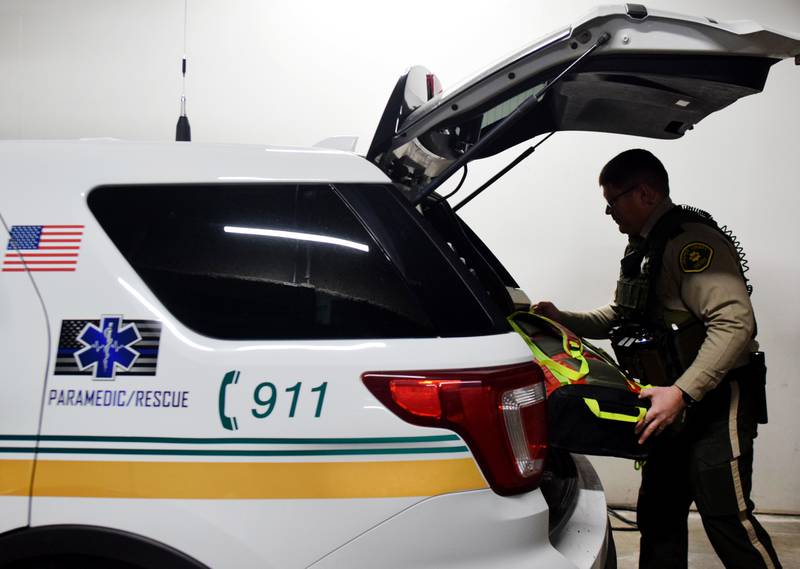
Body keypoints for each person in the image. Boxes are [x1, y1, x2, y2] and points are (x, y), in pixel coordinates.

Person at [534, 149, 781, 569]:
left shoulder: (690, 243)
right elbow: (621, 315)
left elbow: (736, 325)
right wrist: (563, 319)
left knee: (727, 520)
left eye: (613, 202)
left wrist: (682, 393)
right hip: (667, 405)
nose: (609, 213)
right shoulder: (642, 248)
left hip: (715, 401)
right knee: (659, 515)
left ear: (645, 193)